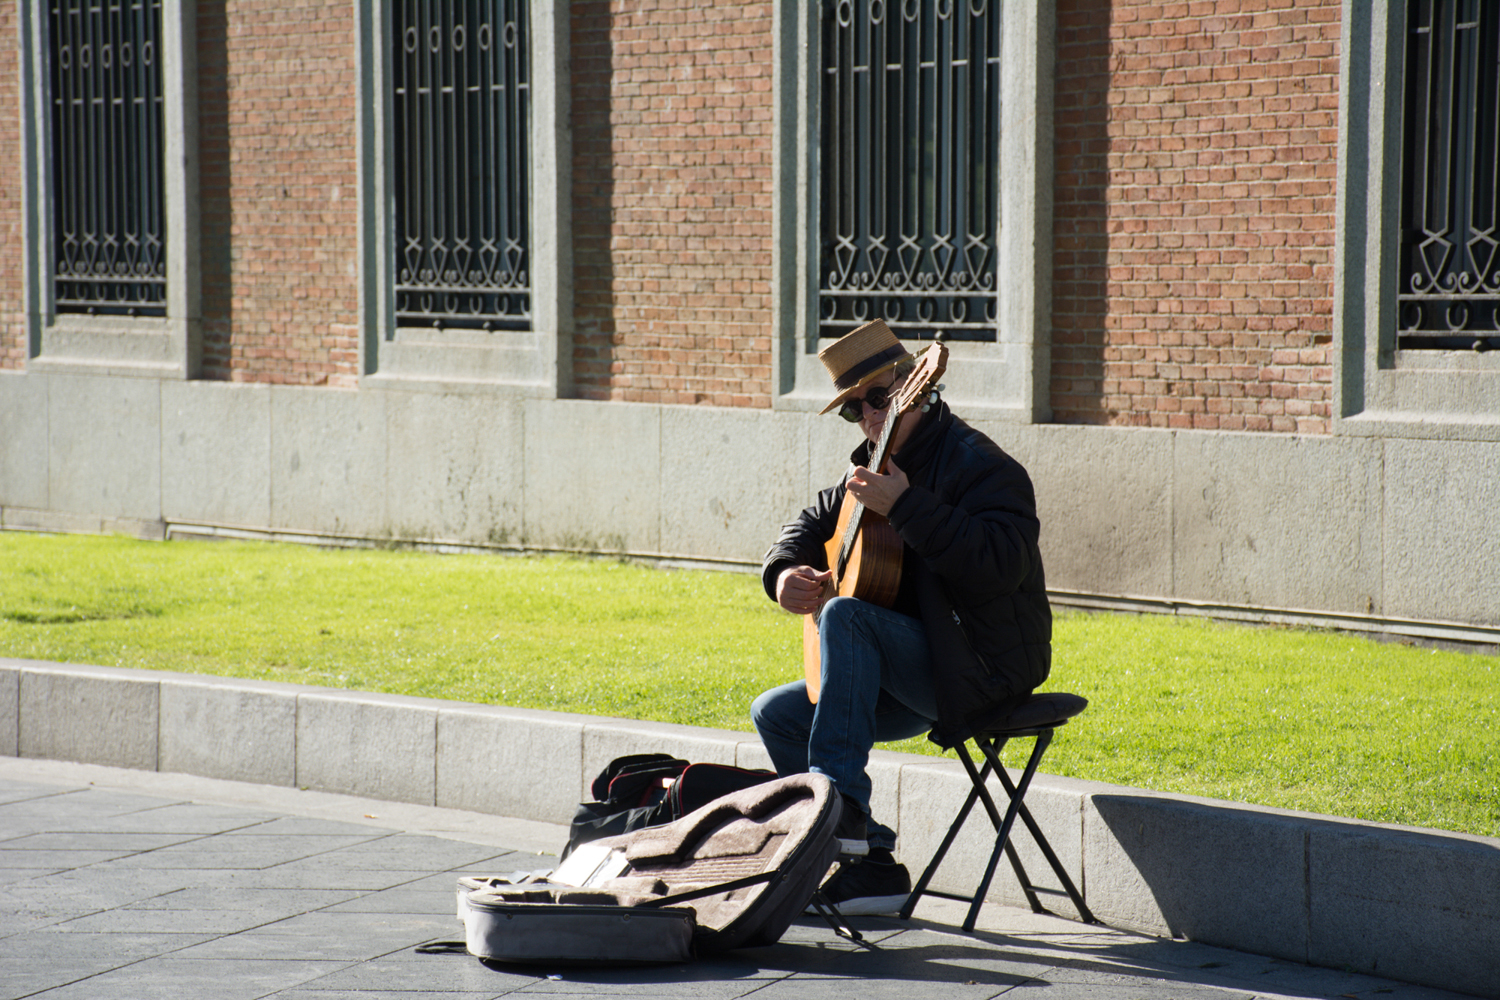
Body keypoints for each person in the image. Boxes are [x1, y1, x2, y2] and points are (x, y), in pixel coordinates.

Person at [751, 318, 1052, 915]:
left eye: (878, 398)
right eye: (853, 408)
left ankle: (842, 820)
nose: (868, 416)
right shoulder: (867, 467)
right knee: (777, 714)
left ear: (918, 387)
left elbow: (999, 564)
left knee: (847, 619)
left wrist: (907, 506)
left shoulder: (984, 466)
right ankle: (873, 866)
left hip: (982, 668)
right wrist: (782, 572)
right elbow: (810, 524)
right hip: (907, 669)